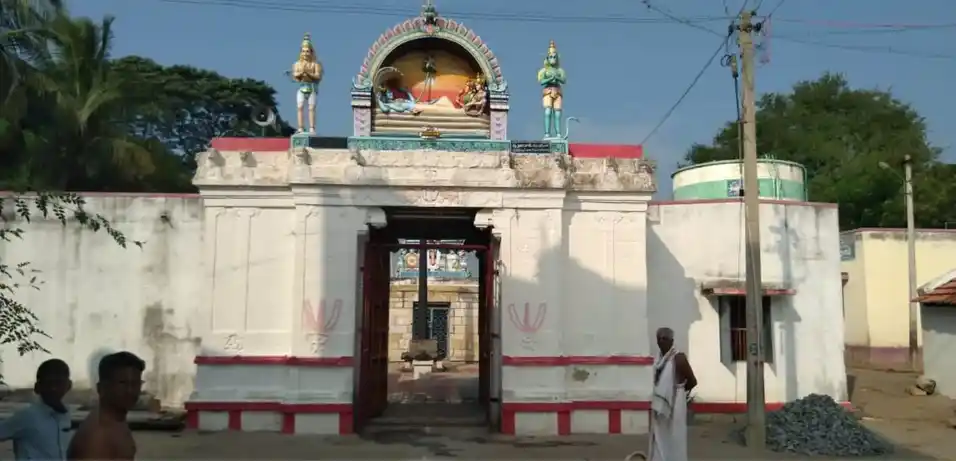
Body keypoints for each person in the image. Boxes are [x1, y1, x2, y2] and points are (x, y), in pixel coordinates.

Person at [67, 352, 145, 461]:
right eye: (122, 383)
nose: (130, 391)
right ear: (101, 388)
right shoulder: (97, 436)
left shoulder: (117, 420)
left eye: (135, 383)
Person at [0, 359, 73, 460]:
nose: (53, 388)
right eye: (49, 384)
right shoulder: (27, 416)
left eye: (58, 383)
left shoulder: (67, 416)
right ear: (37, 387)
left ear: (68, 385)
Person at [648, 327, 697, 461]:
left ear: (672, 341)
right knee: (659, 436)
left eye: (664, 338)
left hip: (676, 402)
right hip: (659, 405)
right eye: (658, 338)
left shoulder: (679, 358)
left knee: (675, 436)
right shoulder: (657, 360)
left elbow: (692, 381)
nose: (660, 341)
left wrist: (678, 391)